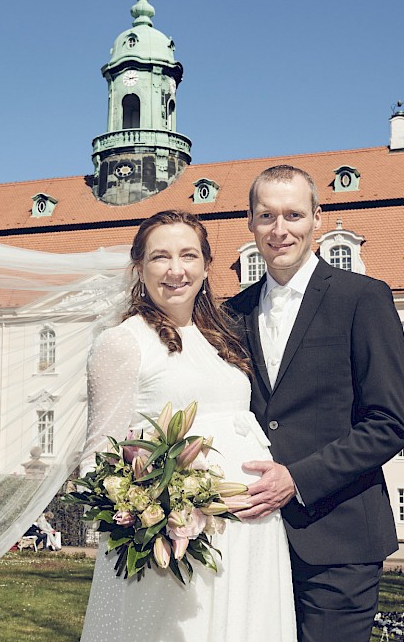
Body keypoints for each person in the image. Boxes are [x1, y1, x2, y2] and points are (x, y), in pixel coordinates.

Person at [80, 210, 296, 641]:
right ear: (139, 268)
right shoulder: (124, 342)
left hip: (251, 536)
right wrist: (161, 516)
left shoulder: (218, 335)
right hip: (179, 548)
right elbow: (96, 460)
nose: (176, 270)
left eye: (188, 255)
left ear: (206, 265)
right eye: (161, 257)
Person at [225, 165, 404, 642]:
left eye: (293, 214)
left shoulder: (363, 298)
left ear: (317, 219)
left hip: (340, 537)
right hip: (252, 540)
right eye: (266, 216)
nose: (280, 229)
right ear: (250, 222)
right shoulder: (232, 312)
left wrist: (298, 479)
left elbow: (388, 424)